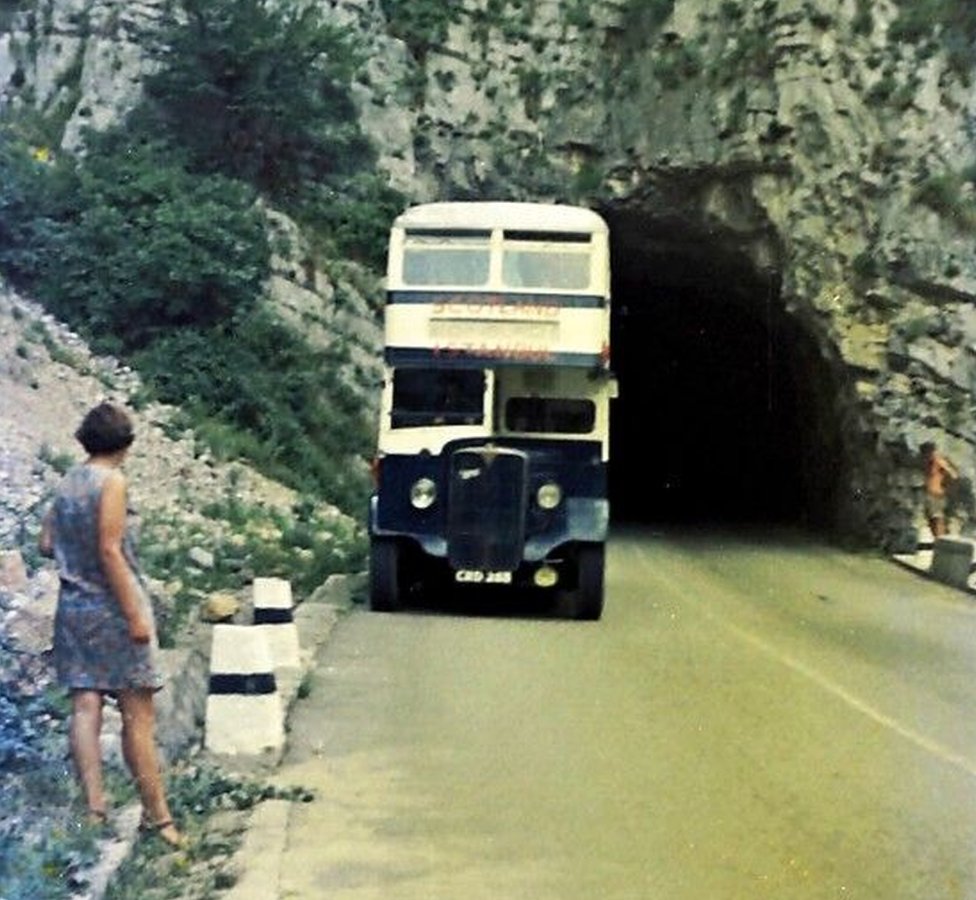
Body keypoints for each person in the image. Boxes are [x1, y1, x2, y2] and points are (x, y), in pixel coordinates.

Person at [39, 402, 185, 848]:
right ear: (125, 444)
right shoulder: (113, 481)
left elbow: (46, 543)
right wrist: (136, 614)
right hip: (113, 611)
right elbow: (110, 550)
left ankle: (95, 810)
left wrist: (72, 558)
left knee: (85, 708)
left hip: (73, 610)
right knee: (137, 716)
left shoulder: (67, 482)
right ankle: (158, 818)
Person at [921, 441, 959, 539]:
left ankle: (940, 539)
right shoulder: (928, 461)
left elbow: (953, 474)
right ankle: (938, 539)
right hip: (930, 492)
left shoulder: (938, 460)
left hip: (937, 494)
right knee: (930, 517)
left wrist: (945, 485)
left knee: (937, 517)